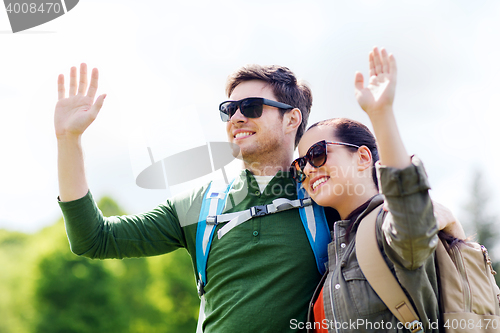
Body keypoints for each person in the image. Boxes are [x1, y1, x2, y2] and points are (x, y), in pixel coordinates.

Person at [54, 63, 320, 332]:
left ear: (291, 119)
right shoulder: (199, 204)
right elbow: (93, 238)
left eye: (252, 106)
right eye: (229, 110)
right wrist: (68, 139)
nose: (236, 118)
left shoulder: (326, 199)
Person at [291, 47, 464, 332]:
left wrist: (381, 114)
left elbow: (410, 216)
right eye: (301, 164)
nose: (308, 169)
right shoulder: (334, 253)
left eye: (318, 154)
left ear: (362, 158)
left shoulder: (388, 226)